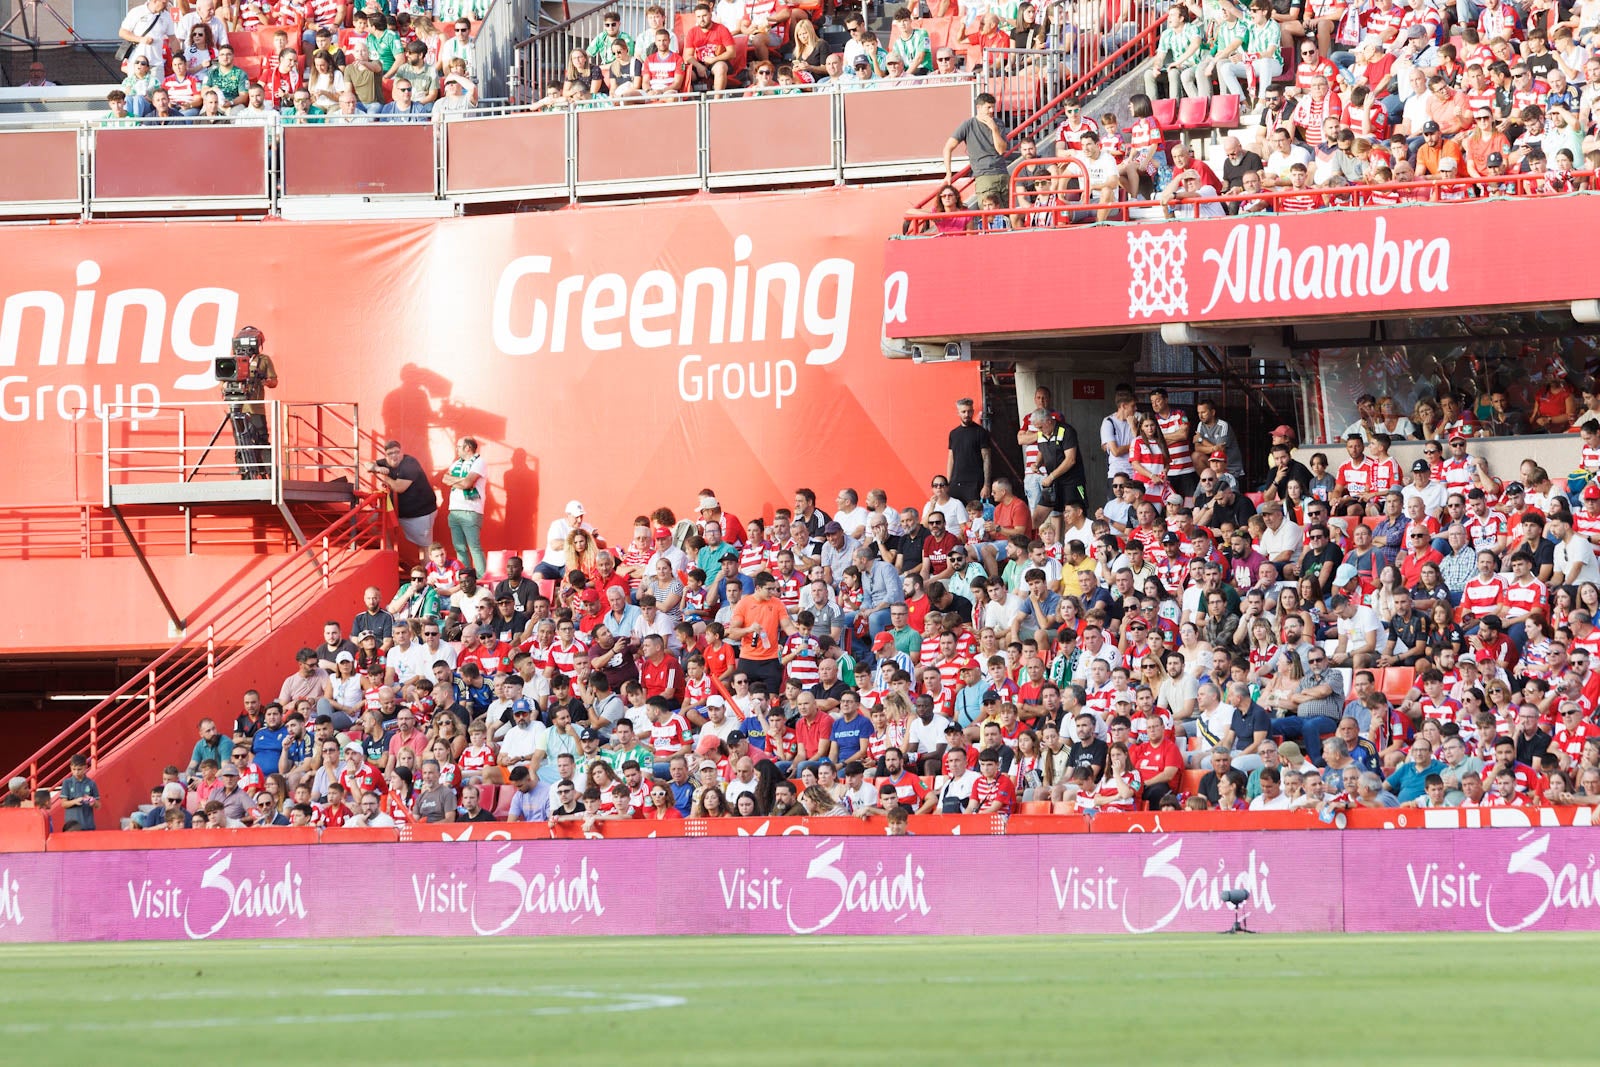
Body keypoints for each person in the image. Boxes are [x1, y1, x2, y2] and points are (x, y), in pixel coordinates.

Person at [369, 439, 438, 551]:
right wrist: (377, 468)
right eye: (390, 453)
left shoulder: (410, 463)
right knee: (373, 522)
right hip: (397, 510)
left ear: (402, 452)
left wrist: (386, 477)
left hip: (420, 513)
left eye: (397, 452)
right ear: (386, 455)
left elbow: (398, 487)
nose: (394, 456)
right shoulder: (386, 462)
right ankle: (389, 551)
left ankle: (426, 569)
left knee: (424, 548)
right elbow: (368, 464)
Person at [943, 93, 1009, 205]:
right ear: (978, 107)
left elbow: (1001, 150)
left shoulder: (998, 123)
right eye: (988, 107)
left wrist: (994, 129)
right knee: (990, 215)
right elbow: (948, 148)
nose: (992, 110)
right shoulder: (968, 125)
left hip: (1003, 172)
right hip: (984, 176)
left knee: (1007, 215)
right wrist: (948, 173)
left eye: (993, 107)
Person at [947, 397, 992, 505]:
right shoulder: (953, 433)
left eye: (969, 411)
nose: (967, 414)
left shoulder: (981, 432)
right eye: (963, 411)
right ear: (958, 413)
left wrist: (986, 485)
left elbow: (987, 459)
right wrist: (948, 483)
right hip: (956, 483)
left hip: (975, 483)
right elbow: (951, 458)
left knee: (975, 516)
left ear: (972, 411)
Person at [59, 754, 99, 831]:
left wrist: (93, 802)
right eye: (74, 769)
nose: (76, 772)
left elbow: (98, 805)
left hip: (88, 826)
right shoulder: (67, 783)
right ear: (70, 767)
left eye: (79, 769)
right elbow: (63, 804)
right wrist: (75, 801)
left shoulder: (91, 783)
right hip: (71, 828)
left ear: (85, 767)